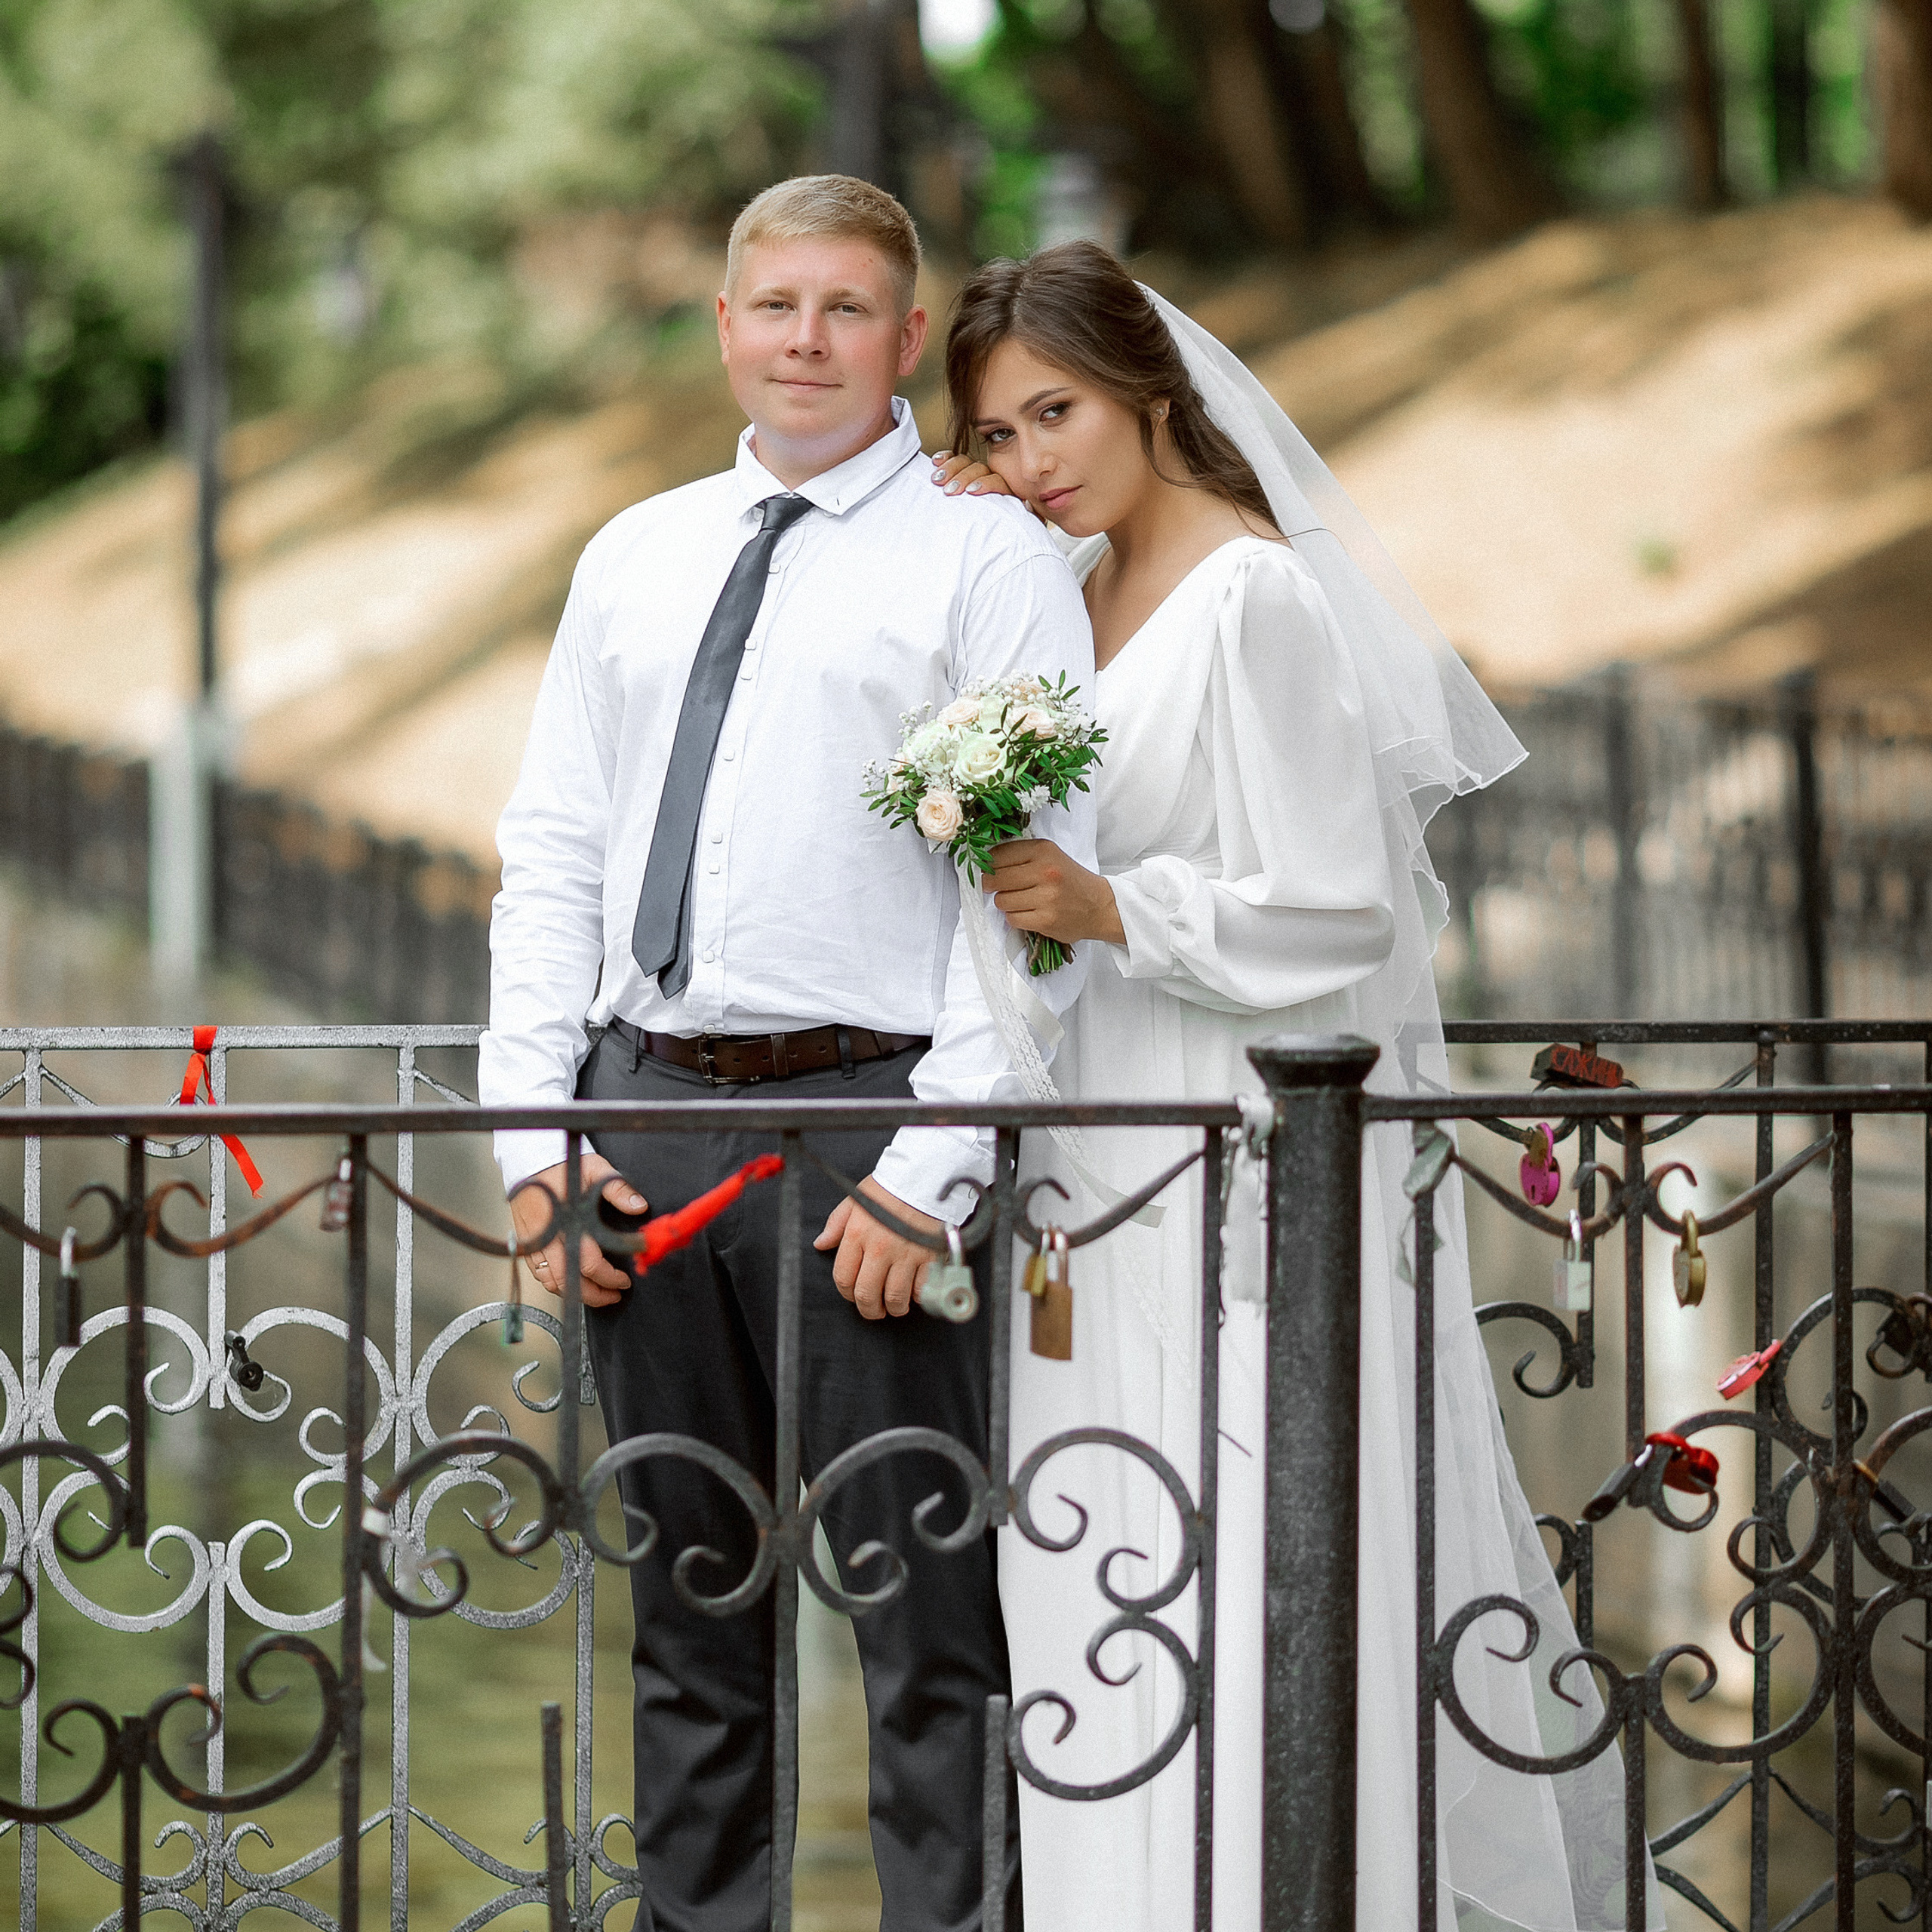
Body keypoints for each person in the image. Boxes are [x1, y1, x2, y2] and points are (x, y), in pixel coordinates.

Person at [931, 242, 1652, 1932]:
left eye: (1057, 411)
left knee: (1241, 1553)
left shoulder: (1250, 596)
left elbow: (1342, 900)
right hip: (1090, 1162)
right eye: (995, 430)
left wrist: (1117, 905)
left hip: (1227, 1148)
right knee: (1101, 1562)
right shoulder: (1071, 587)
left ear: (1147, 389)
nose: (1033, 457)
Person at [480, 176, 1095, 1932]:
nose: (805, 341)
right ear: (725, 325)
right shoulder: (634, 552)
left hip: (866, 1132)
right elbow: (555, 853)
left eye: (846, 309)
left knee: (921, 1622)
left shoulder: (985, 556)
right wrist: (535, 1135)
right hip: (636, 1120)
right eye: (773, 306)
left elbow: (1025, 890)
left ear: (906, 338)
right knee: (685, 1614)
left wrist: (933, 1168)